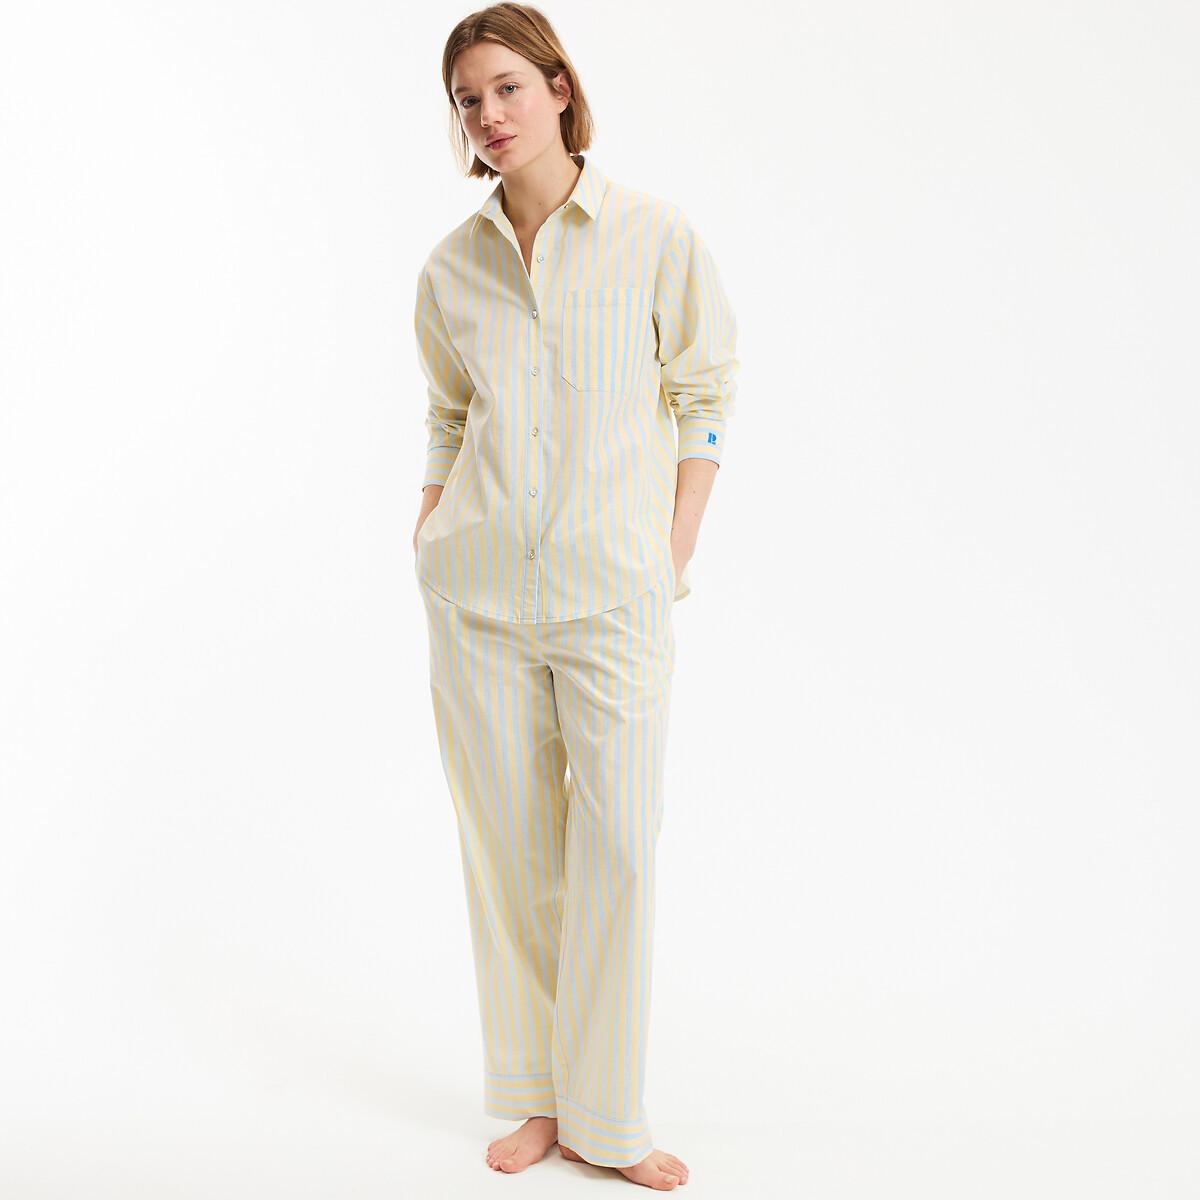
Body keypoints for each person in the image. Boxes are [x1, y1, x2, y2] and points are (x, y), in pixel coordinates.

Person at [410, 3, 737, 1189]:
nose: (487, 115)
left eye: (506, 87)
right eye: (467, 99)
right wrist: (429, 520)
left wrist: (670, 547)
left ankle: (607, 1113)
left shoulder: (654, 235)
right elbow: (448, 412)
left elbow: (705, 392)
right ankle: (535, 1097)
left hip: (614, 594)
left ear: (558, 87)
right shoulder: (451, 269)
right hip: (480, 596)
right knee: (508, 853)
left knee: (619, 849)